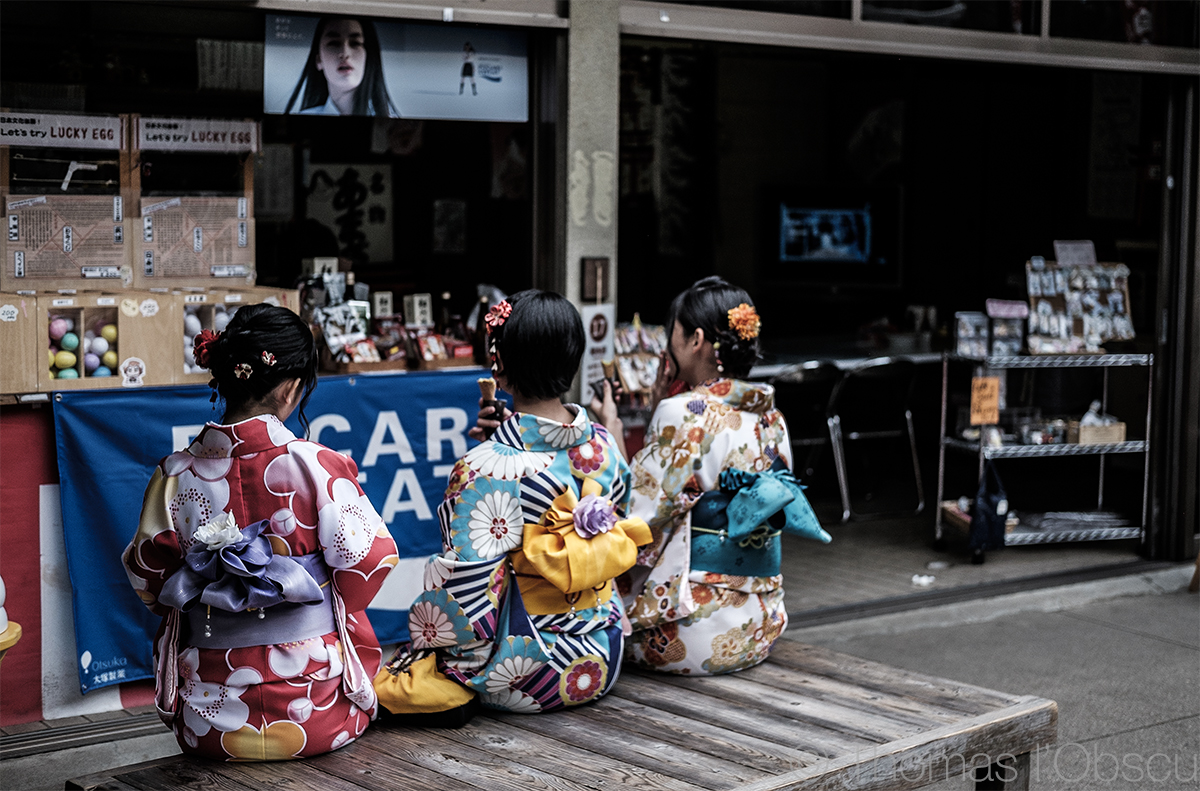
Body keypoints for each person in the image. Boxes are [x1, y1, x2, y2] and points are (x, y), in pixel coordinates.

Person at [123, 305, 398, 760]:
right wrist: (304, 605)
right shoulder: (316, 465)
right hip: (317, 711)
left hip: (207, 722)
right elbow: (370, 560)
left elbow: (148, 579)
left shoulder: (173, 475)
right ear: (291, 387)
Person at [374, 290, 650, 722]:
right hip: (603, 653)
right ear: (574, 359)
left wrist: (454, 670)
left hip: (523, 673)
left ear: (498, 364)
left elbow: (466, 599)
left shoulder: (481, 467)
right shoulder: (604, 444)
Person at [591, 277, 832, 676]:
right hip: (761, 624)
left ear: (697, 339)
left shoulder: (682, 413)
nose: (670, 343)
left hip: (692, 633)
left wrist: (614, 440)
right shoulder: (772, 417)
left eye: (675, 333)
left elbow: (639, 519)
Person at [285, 17, 397, 116]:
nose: (345, 53)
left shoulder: (392, 124)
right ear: (319, 60)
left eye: (355, 43)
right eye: (334, 43)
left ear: (368, 58)